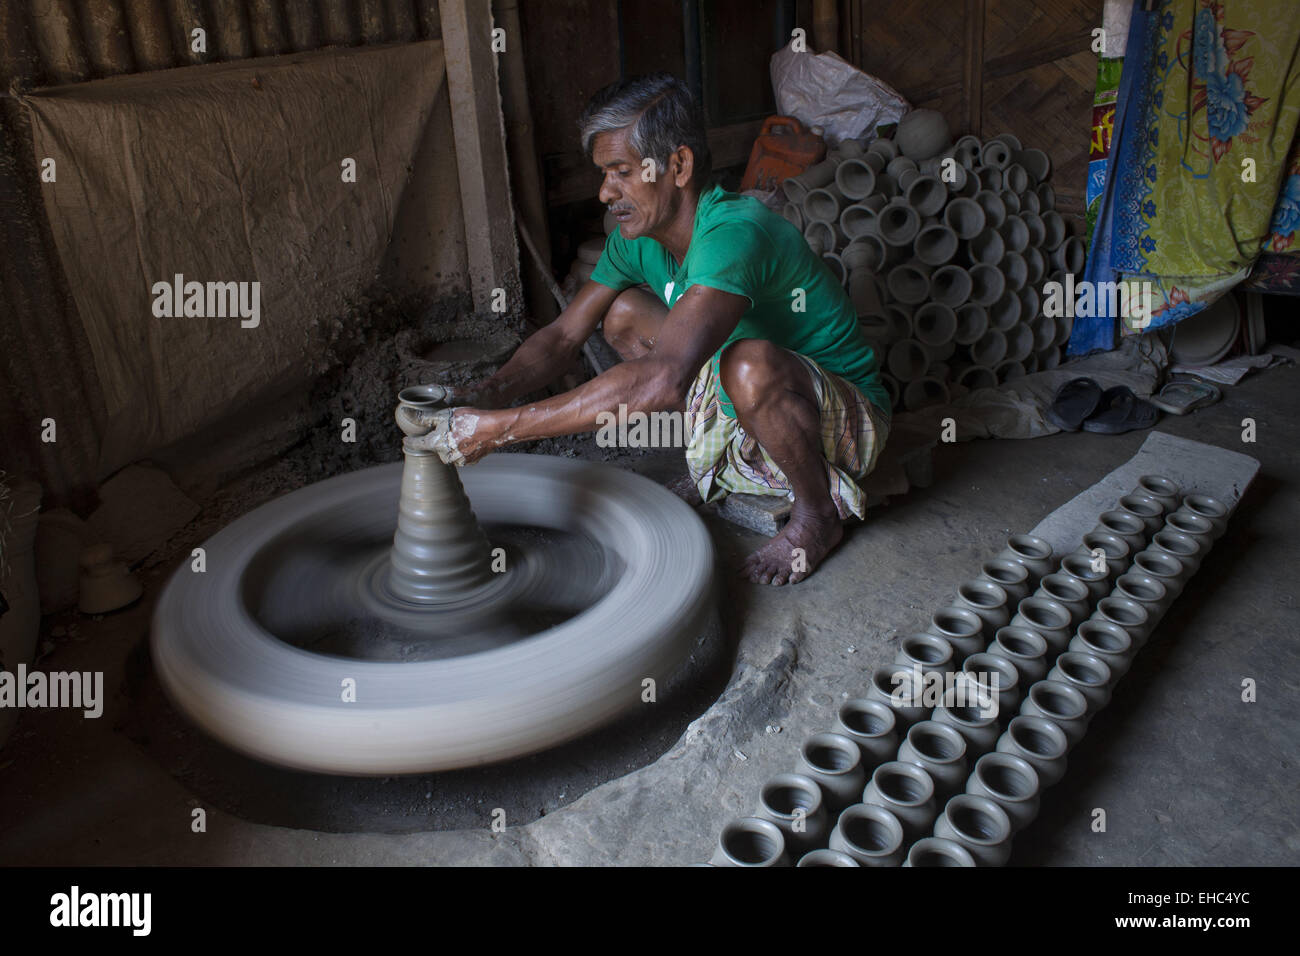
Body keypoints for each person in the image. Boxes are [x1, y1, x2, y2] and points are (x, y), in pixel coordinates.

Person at [413, 73, 890, 585]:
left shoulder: (734, 233)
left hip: (840, 420)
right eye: (602, 174)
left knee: (746, 363)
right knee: (623, 314)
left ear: (678, 166)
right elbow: (562, 337)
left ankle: (817, 515)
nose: (604, 192)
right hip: (743, 404)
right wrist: (487, 394)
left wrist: (498, 431)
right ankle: (724, 458)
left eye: (620, 172)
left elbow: (664, 380)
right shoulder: (637, 237)